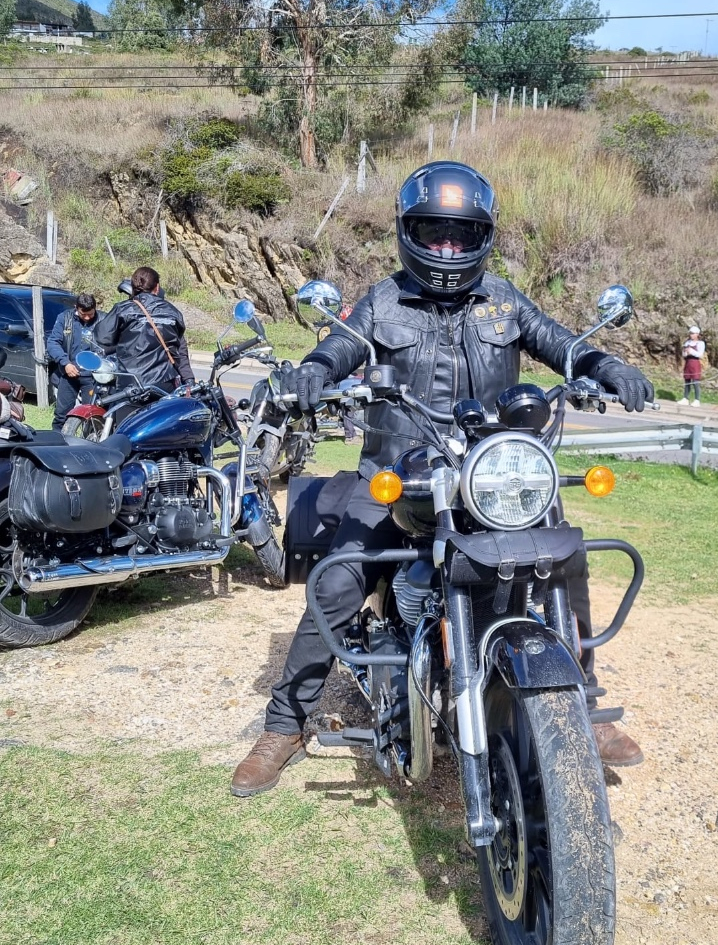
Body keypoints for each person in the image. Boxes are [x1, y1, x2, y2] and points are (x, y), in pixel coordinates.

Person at [231, 160, 655, 797]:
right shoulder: (383, 300)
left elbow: (560, 342)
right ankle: (285, 723)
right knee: (340, 580)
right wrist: (314, 372)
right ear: (410, 232)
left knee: (563, 556)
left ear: (483, 235)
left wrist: (605, 363)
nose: (448, 247)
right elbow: (341, 346)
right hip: (398, 474)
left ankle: (581, 702)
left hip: (490, 475)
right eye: (435, 232)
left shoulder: (503, 300)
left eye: (462, 234)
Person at [94, 266, 195, 393]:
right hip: (164, 383)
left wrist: (122, 338)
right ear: (157, 287)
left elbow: (102, 337)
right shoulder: (173, 312)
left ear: (133, 287)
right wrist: (189, 379)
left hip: (130, 382)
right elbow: (180, 350)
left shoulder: (122, 309)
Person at [46, 292, 102, 431]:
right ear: (76, 307)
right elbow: (53, 342)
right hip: (69, 373)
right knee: (61, 415)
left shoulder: (103, 320)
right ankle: (57, 440)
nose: (87, 317)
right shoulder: (65, 318)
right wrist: (65, 363)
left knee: (93, 416)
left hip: (94, 377)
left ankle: (90, 441)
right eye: (84, 314)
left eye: (91, 314)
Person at [679, 324, 706, 407]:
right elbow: (683, 354)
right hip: (688, 363)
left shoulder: (700, 343)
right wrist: (685, 353)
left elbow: (700, 355)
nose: (691, 335)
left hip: (695, 363)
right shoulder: (687, 342)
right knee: (687, 381)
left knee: (695, 382)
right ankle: (685, 398)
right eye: (690, 333)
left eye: (693, 333)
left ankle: (697, 400)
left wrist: (691, 351)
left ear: (697, 334)